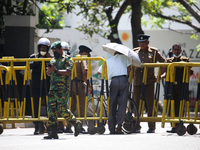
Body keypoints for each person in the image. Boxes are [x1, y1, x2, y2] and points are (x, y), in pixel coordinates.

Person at [44, 41, 82, 139]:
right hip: (52, 88)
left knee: (62, 109)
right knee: (51, 111)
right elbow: (51, 73)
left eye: (56, 51)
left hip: (62, 89)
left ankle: (76, 122)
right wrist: (49, 72)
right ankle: (52, 132)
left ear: (61, 49)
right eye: (53, 51)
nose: (54, 53)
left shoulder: (68, 59)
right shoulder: (52, 60)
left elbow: (68, 72)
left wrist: (55, 71)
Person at [133, 34, 166, 133]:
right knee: (136, 104)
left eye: (143, 42)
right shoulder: (134, 52)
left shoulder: (154, 52)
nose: (141, 44)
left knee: (150, 104)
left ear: (148, 42)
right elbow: (129, 64)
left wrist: (160, 76)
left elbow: (164, 63)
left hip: (149, 81)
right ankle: (136, 126)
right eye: (140, 42)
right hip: (137, 81)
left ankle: (151, 126)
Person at [98, 49, 132, 134]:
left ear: (114, 53)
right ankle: (119, 126)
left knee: (112, 104)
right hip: (124, 79)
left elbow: (99, 72)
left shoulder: (108, 60)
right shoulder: (125, 58)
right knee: (122, 104)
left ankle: (111, 128)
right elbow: (129, 69)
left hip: (114, 81)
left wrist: (109, 74)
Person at [166, 43, 193, 133]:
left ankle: (180, 125)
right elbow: (165, 72)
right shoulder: (169, 61)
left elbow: (191, 72)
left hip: (181, 86)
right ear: (172, 51)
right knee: (171, 107)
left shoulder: (185, 60)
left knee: (181, 106)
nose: (176, 51)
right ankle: (173, 126)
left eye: (178, 50)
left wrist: (188, 68)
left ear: (181, 51)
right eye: (175, 50)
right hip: (172, 87)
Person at [65, 45, 92, 134]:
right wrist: (88, 85)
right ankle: (80, 127)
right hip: (79, 85)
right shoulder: (82, 59)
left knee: (71, 106)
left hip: (70, 84)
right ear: (84, 53)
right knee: (81, 106)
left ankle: (68, 126)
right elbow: (84, 72)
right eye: (87, 54)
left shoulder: (73, 59)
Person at [29, 37, 52, 135]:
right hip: (36, 85)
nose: (43, 50)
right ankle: (37, 126)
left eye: (44, 48)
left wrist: (48, 59)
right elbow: (30, 66)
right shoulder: (33, 56)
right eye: (41, 48)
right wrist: (39, 60)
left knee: (49, 106)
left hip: (47, 85)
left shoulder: (51, 58)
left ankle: (49, 126)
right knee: (35, 106)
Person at [56, 41, 71, 134]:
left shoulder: (69, 60)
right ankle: (59, 126)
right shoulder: (56, 60)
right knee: (58, 107)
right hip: (57, 86)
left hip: (66, 86)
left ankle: (69, 125)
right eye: (62, 50)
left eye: (65, 50)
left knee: (65, 107)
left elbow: (68, 71)